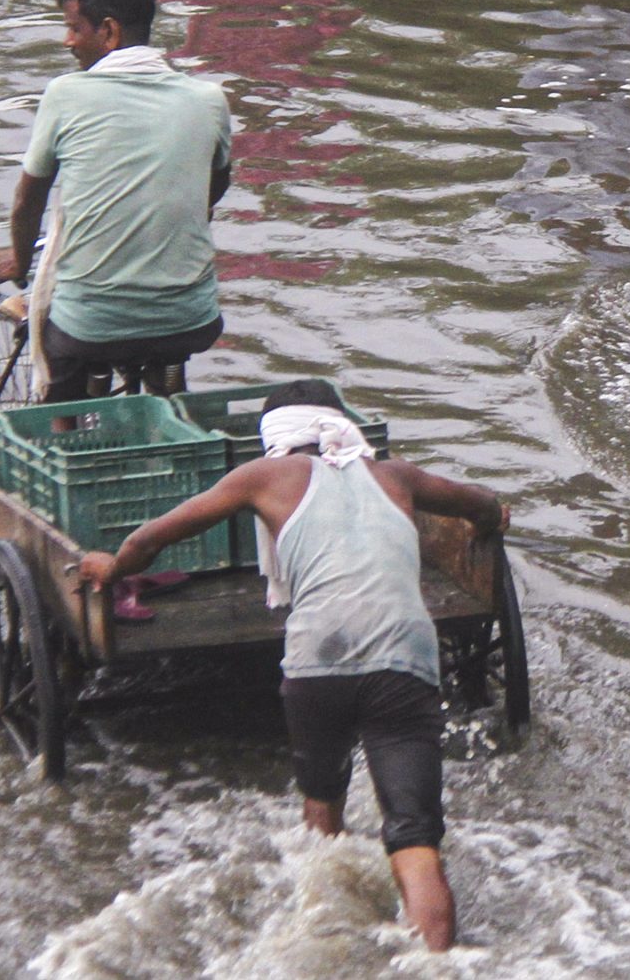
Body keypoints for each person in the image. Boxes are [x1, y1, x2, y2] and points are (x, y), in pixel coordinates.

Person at [76, 380, 508, 954]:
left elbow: (154, 538)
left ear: (273, 437)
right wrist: (490, 521)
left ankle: (322, 936)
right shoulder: (396, 476)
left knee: (321, 811)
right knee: (415, 837)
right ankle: (437, 962)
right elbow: (478, 503)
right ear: (343, 425)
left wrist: (113, 566)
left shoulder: (263, 477)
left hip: (316, 662)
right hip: (404, 658)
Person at [0, 0, 234, 403]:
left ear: (109, 32)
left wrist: (20, 260)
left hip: (91, 325)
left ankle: (63, 429)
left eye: (74, 28)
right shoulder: (209, 100)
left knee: (65, 362)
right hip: (192, 317)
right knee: (165, 357)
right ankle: (167, 410)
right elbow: (213, 188)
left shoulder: (66, 94)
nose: (68, 41)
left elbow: (28, 201)